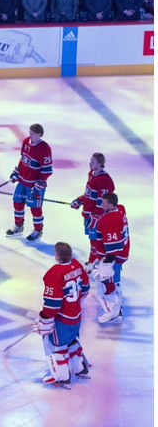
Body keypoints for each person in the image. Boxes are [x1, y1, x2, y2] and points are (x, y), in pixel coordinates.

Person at [33, 242, 90, 387]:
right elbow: (85, 287)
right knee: (72, 341)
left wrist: (45, 317)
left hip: (62, 319)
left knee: (58, 346)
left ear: (57, 255)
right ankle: (80, 368)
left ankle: (62, 376)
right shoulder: (77, 265)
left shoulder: (55, 273)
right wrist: (75, 303)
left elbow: (53, 303)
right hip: (76, 315)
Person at [6, 123, 52, 242]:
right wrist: (17, 172)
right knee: (17, 203)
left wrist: (40, 183)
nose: (30, 135)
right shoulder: (26, 141)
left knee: (35, 208)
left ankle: (37, 231)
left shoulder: (44, 148)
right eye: (29, 132)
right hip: (23, 181)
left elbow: (47, 170)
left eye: (32, 133)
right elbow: (23, 159)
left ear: (39, 134)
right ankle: (18, 226)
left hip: (35, 185)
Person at [70, 153, 115, 271]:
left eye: (93, 162)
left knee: (97, 242)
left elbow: (104, 201)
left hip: (96, 217)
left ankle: (95, 264)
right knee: (92, 241)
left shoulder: (104, 180)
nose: (90, 163)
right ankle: (93, 261)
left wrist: (96, 215)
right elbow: (89, 194)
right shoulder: (91, 174)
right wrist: (80, 200)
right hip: (88, 214)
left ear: (100, 164)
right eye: (90, 161)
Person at [93, 192, 130, 324]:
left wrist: (106, 263)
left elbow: (113, 247)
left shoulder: (109, 221)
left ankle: (113, 312)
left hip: (114, 256)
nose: (101, 204)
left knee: (105, 282)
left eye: (104, 203)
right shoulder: (120, 208)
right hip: (123, 252)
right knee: (114, 279)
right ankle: (117, 299)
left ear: (111, 204)